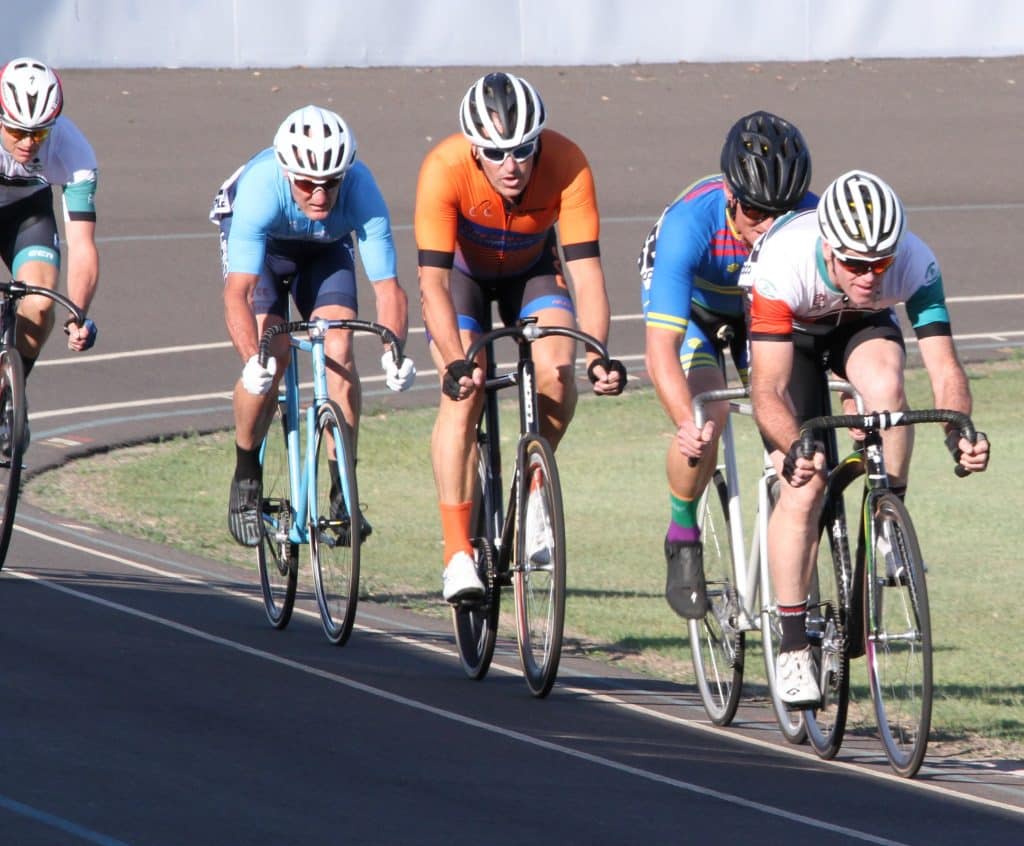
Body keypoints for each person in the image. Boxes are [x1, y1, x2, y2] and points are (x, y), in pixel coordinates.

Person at [744, 169, 990, 707]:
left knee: (887, 391)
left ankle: (886, 515)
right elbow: (768, 389)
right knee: (805, 486)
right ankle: (790, 646)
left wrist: (959, 430)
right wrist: (795, 447)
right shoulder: (780, 264)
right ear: (828, 249)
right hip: (796, 335)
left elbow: (945, 368)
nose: (870, 274)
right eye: (856, 263)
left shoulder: (913, 262)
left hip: (861, 327)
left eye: (881, 262)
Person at [415, 71, 626, 602]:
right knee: (464, 393)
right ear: (475, 151)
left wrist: (599, 351)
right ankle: (456, 552)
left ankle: (534, 486)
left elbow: (588, 275)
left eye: (523, 150)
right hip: (461, 281)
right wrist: (456, 360)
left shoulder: (568, 163)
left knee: (557, 371)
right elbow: (433, 284)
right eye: (497, 152)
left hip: (531, 272)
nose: (512, 165)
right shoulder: (442, 169)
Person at [212, 104, 415, 547]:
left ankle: (343, 491)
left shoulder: (363, 191)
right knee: (274, 355)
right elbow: (238, 294)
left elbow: (389, 290)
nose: (319, 195)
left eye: (331, 183)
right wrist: (253, 361)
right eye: (306, 184)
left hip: (323, 249)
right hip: (264, 251)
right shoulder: (262, 190)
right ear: (288, 175)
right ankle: (246, 475)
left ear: (347, 174)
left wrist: (394, 351)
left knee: (339, 347)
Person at [639, 110, 813, 619]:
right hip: (692, 310)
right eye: (757, 214)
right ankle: (682, 532)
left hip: (760, 308)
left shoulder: (808, 218)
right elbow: (659, 353)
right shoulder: (688, 225)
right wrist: (684, 423)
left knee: (793, 433)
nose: (769, 229)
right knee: (705, 420)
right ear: (731, 197)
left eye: (782, 214)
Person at [0, 57, 99, 437]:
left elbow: (82, 243)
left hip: (28, 215)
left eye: (39, 134)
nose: (27, 143)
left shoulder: (74, 151)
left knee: (40, 306)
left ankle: (11, 395)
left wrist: (78, 312)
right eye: (16, 132)